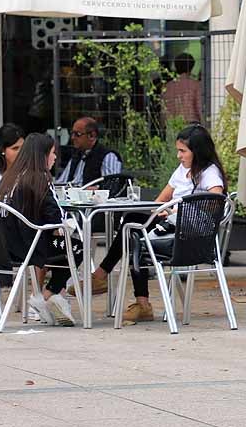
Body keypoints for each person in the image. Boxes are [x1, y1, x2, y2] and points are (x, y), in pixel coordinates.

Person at [90, 123, 226, 323]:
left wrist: (180, 209)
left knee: (133, 234)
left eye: (183, 151)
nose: (179, 156)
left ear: (197, 152)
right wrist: (162, 211)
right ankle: (132, 297)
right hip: (171, 225)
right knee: (132, 224)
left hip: (189, 235)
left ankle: (115, 285)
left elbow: (216, 200)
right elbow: (160, 201)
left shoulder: (209, 172)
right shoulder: (182, 170)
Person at [0, 133, 77, 326]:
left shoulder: (9, 177)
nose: (55, 158)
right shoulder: (40, 179)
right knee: (76, 247)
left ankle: (51, 296)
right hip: (31, 247)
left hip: (3, 247)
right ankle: (47, 295)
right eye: (53, 153)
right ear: (42, 156)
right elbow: (56, 218)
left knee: (64, 247)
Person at [54, 117, 122, 186]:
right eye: (72, 133)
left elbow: (111, 186)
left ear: (92, 136)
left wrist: (93, 190)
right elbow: (61, 182)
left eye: (77, 134)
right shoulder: (76, 156)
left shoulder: (108, 156)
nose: (72, 137)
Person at [162, 52, 203, 124]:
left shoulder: (167, 87)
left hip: (171, 125)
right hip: (191, 125)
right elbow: (199, 107)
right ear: (191, 67)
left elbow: (163, 111)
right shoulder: (196, 85)